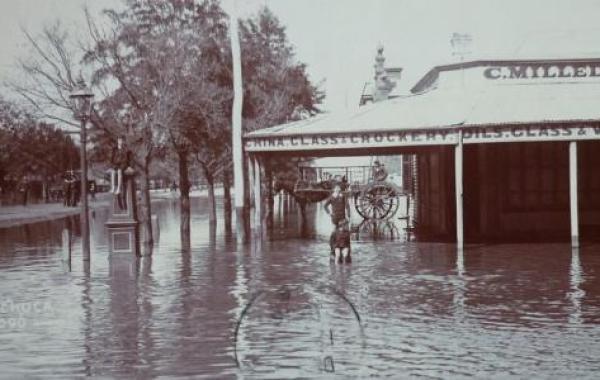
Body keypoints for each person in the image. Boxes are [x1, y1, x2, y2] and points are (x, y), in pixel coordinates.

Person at [324, 184, 351, 255]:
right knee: (334, 233)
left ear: (340, 190)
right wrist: (329, 213)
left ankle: (346, 249)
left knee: (345, 233)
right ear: (334, 190)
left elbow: (347, 206)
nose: (338, 190)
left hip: (342, 218)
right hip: (335, 217)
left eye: (339, 189)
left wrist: (348, 215)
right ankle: (333, 248)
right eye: (336, 189)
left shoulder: (343, 196)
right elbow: (325, 206)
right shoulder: (332, 197)